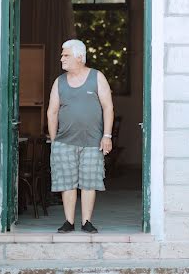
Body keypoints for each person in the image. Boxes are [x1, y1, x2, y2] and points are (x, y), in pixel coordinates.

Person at [47, 39, 114, 234]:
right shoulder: (59, 82)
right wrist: (54, 139)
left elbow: (108, 106)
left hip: (93, 141)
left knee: (89, 181)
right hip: (64, 141)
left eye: (65, 55)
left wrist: (107, 136)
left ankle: (86, 222)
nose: (61, 59)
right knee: (67, 183)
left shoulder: (97, 77)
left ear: (79, 57)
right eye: (62, 55)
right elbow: (52, 112)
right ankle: (69, 221)